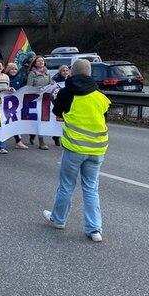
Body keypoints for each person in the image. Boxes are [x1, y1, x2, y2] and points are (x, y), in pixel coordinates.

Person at [42, 59, 111, 243]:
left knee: (66, 185)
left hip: (74, 148)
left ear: (72, 72)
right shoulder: (100, 95)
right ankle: (95, 229)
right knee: (91, 188)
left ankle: (58, 219)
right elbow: (104, 118)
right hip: (98, 149)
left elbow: (57, 112)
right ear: (89, 73)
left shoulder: (67, 93)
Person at [27, 55, 53, 150]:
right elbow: (29, 87)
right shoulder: (32, 74)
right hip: (36, 100)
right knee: (38, 120)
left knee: (43, 120)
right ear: (35, 63)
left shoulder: (48, 73)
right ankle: (41, 141)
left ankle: (33, 134)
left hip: (45, 100)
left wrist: (52, 84)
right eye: (39, 61)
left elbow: (50, 84)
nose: (41, 62)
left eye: (42, 61)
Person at [6, 63, 28, 149]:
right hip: (6, 103)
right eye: (11, 69)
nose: (13, 71)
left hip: (16, 103)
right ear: (8, 70)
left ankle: (18, 140)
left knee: (16, 120)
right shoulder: (5, 77)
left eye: (15, 69)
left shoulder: (20, 78)